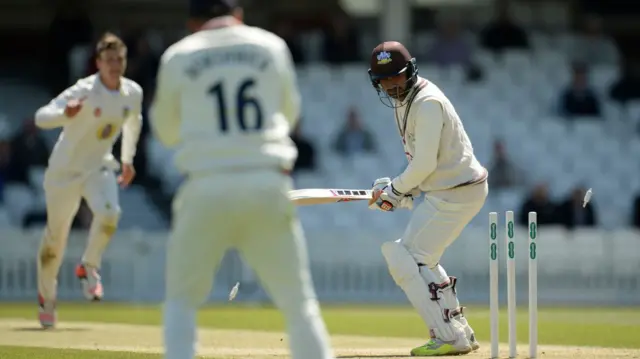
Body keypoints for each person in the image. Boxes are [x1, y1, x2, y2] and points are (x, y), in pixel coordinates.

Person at [149, 1, 334, 359]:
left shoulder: (178, 55)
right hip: (266, 181)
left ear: (192, 22)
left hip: (205, 184)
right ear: (239, 14)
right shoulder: (270, 45)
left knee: (181, 303)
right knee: (299, 304)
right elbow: (290, 112)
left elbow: (166, 132)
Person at [367, 41, 488, 356]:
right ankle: (460, 331)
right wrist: (404, 190)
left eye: (397, 76)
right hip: (449, 189)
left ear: (410, 71)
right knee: (422, 257)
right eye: (384, 80)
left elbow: (424, 164)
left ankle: (449, 337)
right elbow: (424, 164)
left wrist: (396, 190)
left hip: (457, 191)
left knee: (405, 257)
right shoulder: (402, 101)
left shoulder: (428, 102)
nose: (392, 84)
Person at [34, 32, 143, 328]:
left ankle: (89, 266)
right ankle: (47, 299)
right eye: (109, 61)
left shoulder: (132, 92)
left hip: (98, 167)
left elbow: (134, 122)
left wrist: (127, 159)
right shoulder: (83, 91)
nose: (115, 66)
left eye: (119, 59)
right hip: (64, 172)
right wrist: (64, 115)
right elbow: (41, 117)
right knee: (56, 240)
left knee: (109, 214)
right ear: (98, 63)